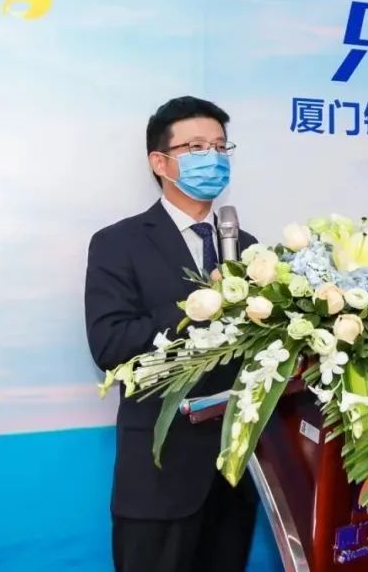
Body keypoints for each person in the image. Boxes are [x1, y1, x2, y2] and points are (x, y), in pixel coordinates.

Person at [85, 96, 258, 572]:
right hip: (158, 478)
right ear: (159, 162)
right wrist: (199, 304)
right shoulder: (118, 243)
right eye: (197, 147)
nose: (213, 158)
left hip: (234, 477)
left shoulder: (248, 249)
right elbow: (111, 345)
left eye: (220, 147)